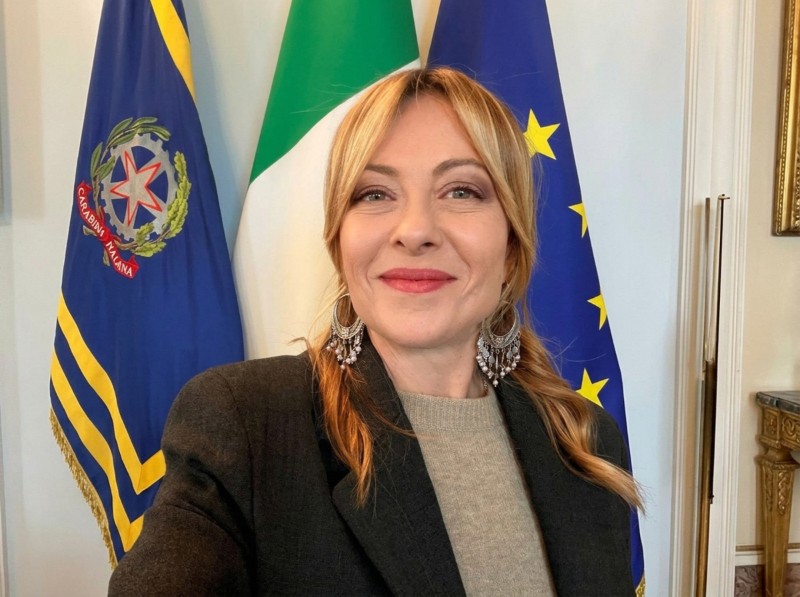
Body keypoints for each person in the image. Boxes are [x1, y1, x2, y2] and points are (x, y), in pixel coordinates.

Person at [109, 67, 642, 596]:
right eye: (374, 194)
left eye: (461, 191)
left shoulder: (585, 440)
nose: (415, 231)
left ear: (510, 244)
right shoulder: (245, 425)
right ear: (340, 240)